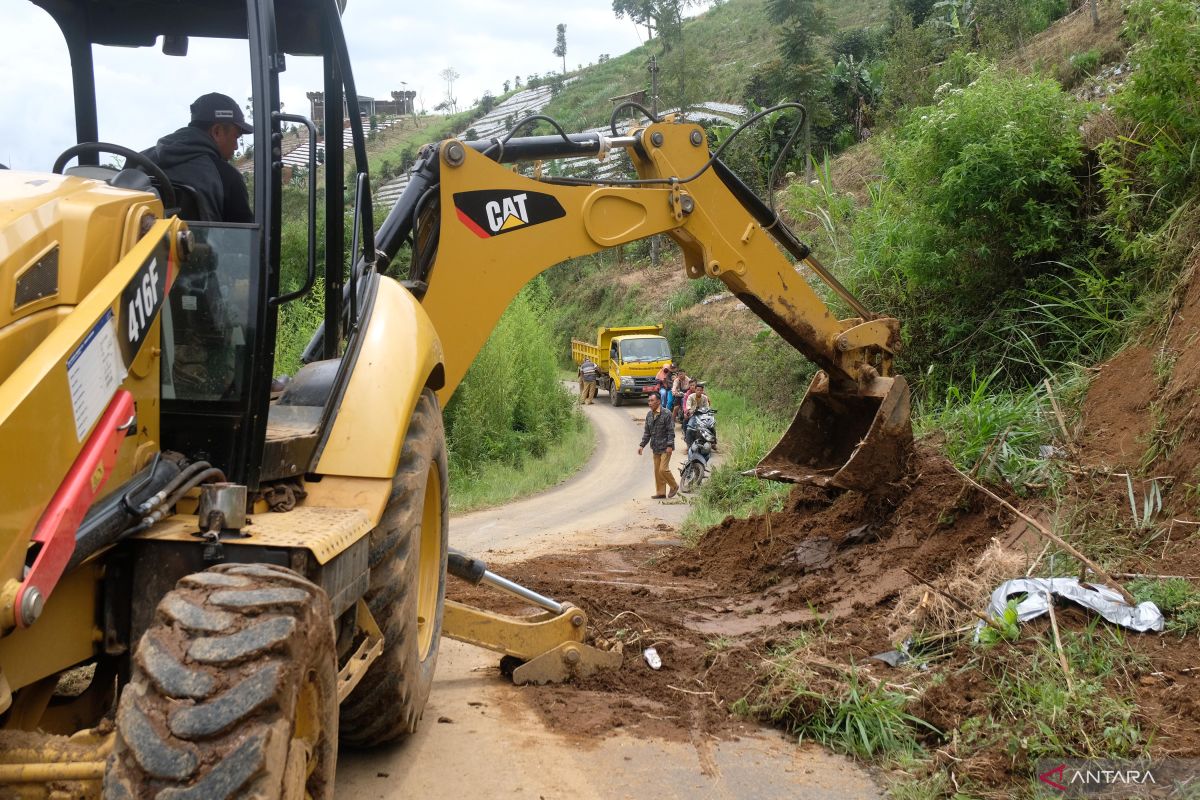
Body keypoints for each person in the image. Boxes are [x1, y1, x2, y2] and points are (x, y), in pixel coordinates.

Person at [145, 92, 253, 223]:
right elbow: (242, 240)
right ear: (217, 131)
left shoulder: (138, 161)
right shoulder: (228, 178)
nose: (236, 146)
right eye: (236, 137)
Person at [638, 392, 678, 499]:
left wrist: (670, 445)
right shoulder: (649, 415)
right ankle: (660, 492)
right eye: (649, 401)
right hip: (655, 447)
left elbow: (671, 431)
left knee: (663, 469)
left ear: (659, 401)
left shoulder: (667, 413)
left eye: (652, 401)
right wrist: (642, 445)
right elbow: (647, 433)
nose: (649, 403)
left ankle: (674, 486)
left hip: (666, 447)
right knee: (657, 471)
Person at [684, 381, 711, 447]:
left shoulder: (705, 397)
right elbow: (688, 405)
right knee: (689, 429)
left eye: (700, 390)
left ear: (702, 391)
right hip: (693, 415)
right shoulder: (690, 396)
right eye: (697, 390)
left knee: (711, 427)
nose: (699, 391)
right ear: (695, 390)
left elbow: (707, 406)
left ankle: (713, 443)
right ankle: (688, 446)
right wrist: (690, 410)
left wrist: (707, 411)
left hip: (703, 416)